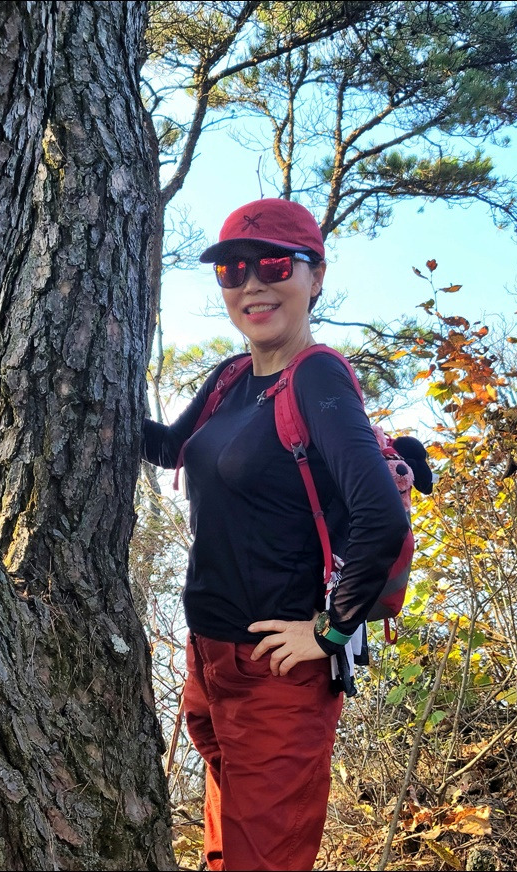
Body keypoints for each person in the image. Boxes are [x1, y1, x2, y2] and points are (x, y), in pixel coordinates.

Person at [142, 198, 410, 871]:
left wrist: (330, 633)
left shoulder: (317, 375)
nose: (252, 284)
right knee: (223, 856)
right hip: (209, 662)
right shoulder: (231, 378)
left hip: (276, 678)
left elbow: (381, 516)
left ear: (316, 276)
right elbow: (171, 448)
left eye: (274, 265)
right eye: (233, 271)